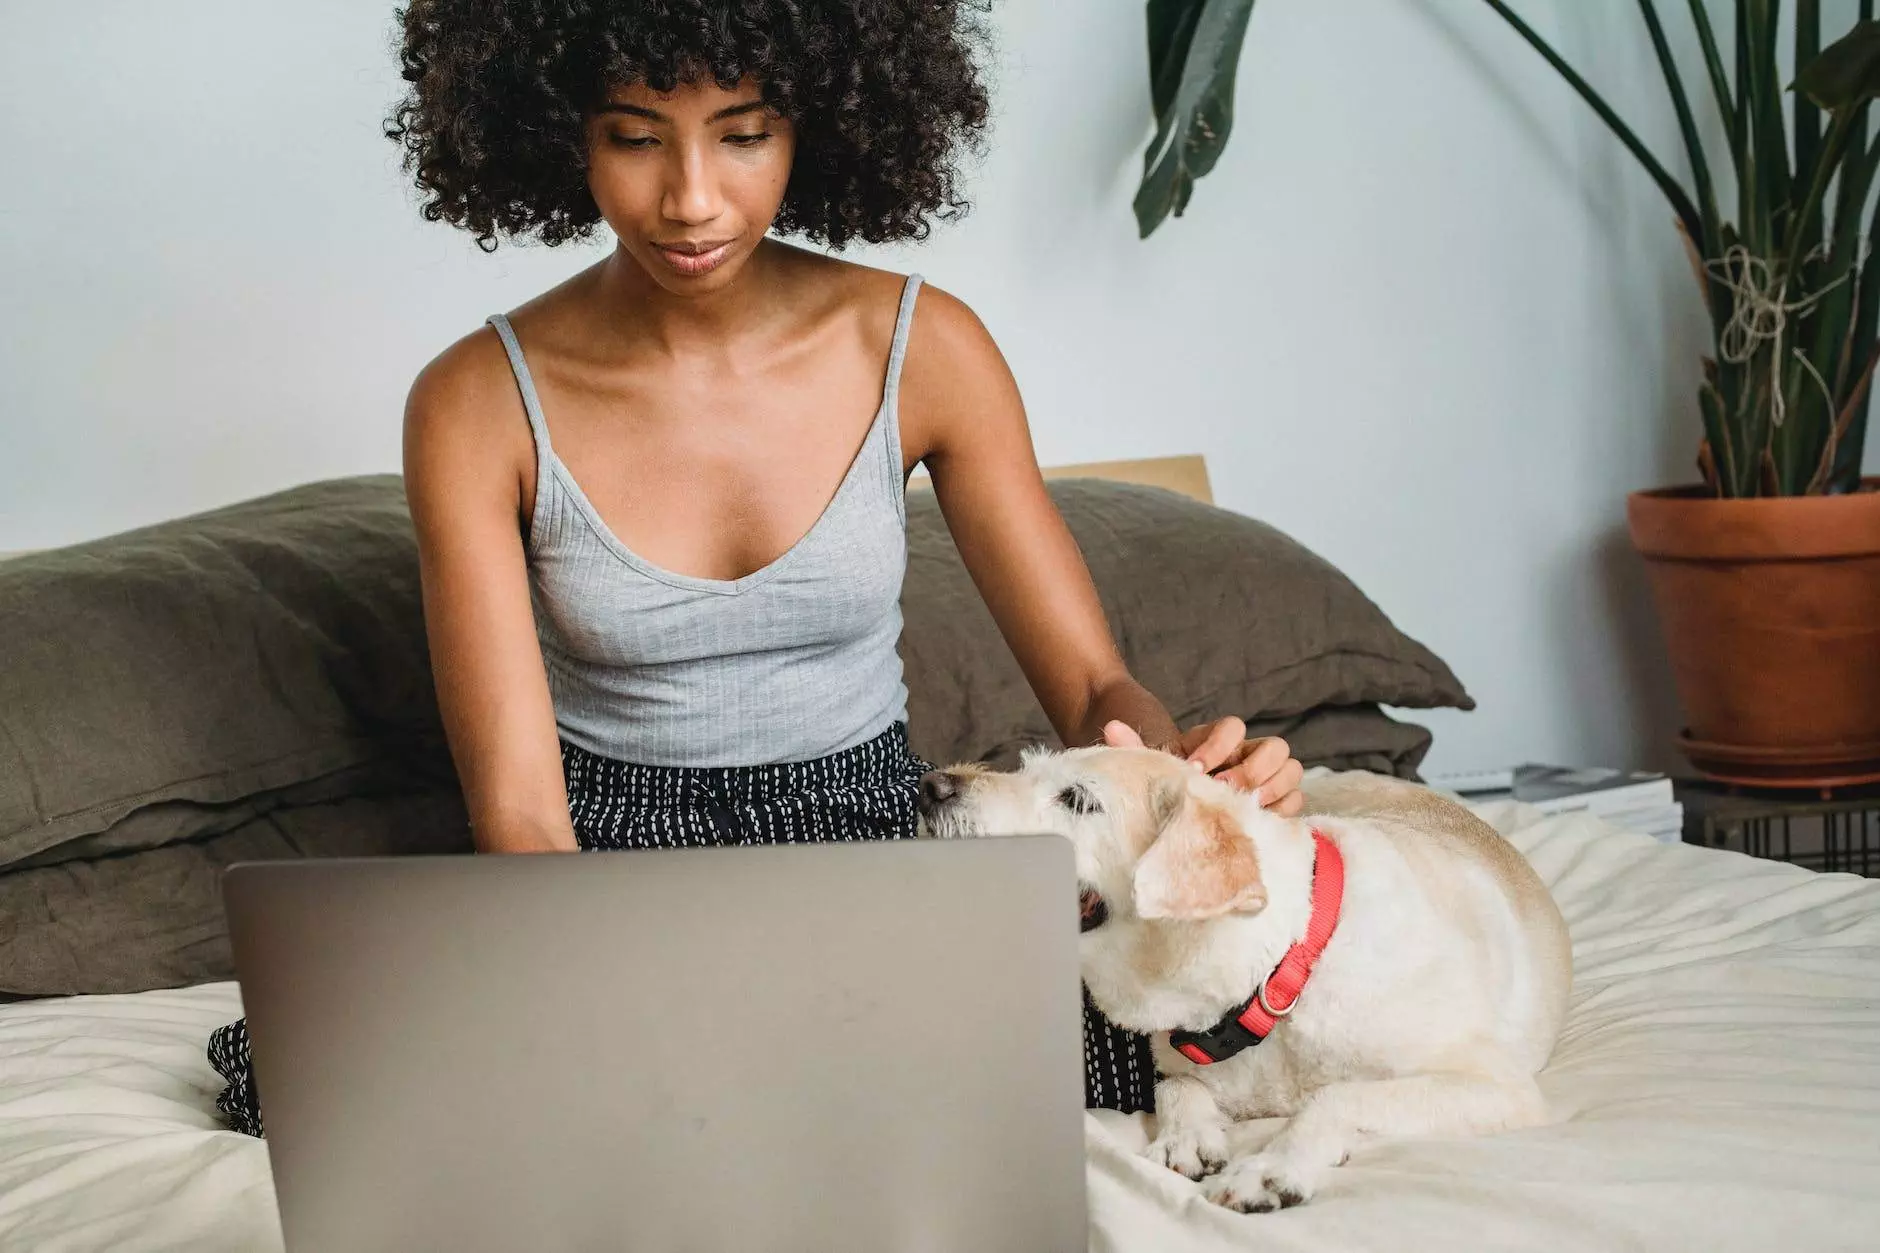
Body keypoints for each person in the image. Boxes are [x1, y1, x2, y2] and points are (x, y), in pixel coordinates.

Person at [207, 0, 1304, 1137]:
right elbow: (523, 818)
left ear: (819, 123)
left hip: (875, 829)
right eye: (634, 137)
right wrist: (609, 984)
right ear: (556, 131)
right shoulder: (476, 401)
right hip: (599, 857)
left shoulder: (924, 347)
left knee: (1156, 1045)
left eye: (743, 132)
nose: (689, 197)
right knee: (300, 1069)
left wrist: (1183, 776)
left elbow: (1090, 690)